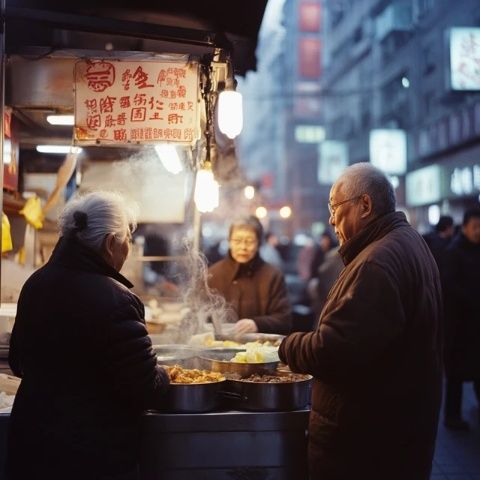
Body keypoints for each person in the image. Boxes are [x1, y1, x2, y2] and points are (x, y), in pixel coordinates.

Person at [278, 163, 443, 480]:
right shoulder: (407, 243)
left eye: (334, 207)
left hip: (367, 445)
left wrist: (286, 346)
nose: (330, 220)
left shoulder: (377, 262)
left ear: (365, 205)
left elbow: (335, 350)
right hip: (397, 434)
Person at [7, 191, 170, 480]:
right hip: (92, 457)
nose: (128, 248)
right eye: (127, 241)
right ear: (110, 244)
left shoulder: (35, 284)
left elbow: (18, 362)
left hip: (31, 449)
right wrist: (165, 374)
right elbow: (146, 388)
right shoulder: (118, 300)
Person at [208, 215, 292, 335]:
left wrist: (257, 324)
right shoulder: (212, 274)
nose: (243, 247)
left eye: (249, 241)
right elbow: (198, 315)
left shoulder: (273, 276)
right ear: (229, 242)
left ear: (258, 243)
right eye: (237, 241)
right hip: (218, 348)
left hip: (259, 349)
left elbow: (284, 320)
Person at [441, 208, 480, 431]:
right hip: (459, 326)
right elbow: (449, 287)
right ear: (464, 227)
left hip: (475, 324)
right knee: (455, 375)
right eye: (475, 227)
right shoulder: (454, 252)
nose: (478, 231)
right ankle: (452, 417)